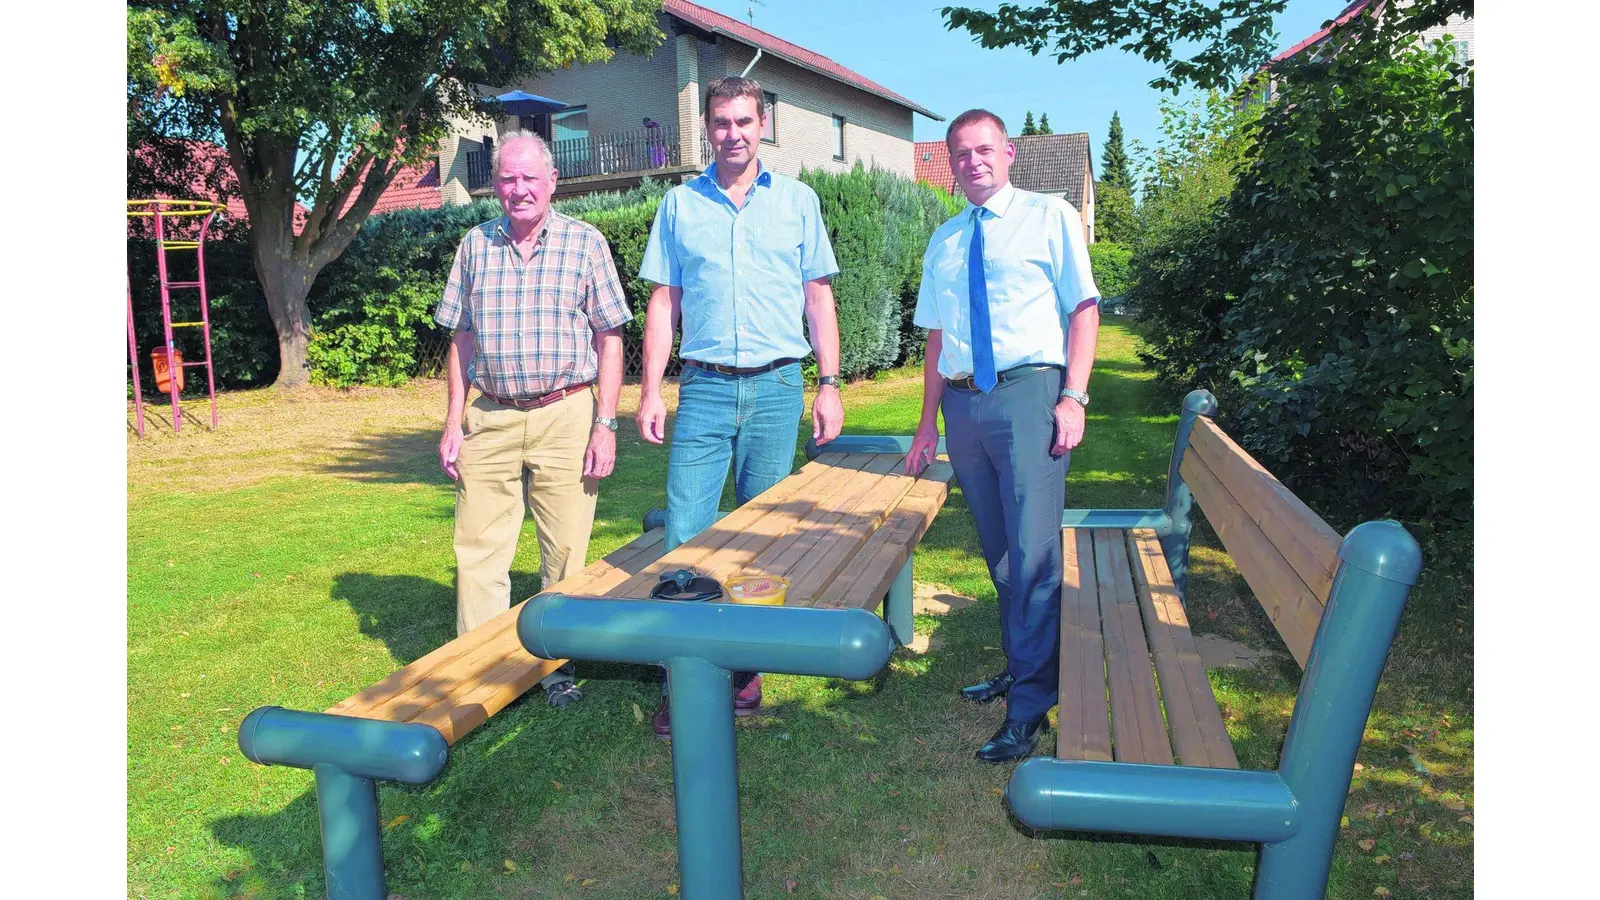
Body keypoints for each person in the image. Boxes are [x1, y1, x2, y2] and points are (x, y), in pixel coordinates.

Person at [635, 75, 845, 738]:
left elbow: (819, 298)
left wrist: (830, 382)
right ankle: (685, 677)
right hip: (702, 387)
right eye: (721, 123)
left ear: (763, 126)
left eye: (744, 122)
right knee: (687, 533)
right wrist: (647, 389)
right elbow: (664, 303)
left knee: (765, 532)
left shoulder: (799, 202)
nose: (733, 134)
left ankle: (747, 670)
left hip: (779, 385)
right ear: (707, 128)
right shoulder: (678, 206)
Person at [905, 109, 1102, 763]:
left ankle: (1028, 710)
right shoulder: (946, 240)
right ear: (950, 163)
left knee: (1034, 554)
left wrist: (1073, 395)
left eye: (984, 149)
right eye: (960, 154)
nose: (973, 162)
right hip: (964, 408)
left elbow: (1083, 308)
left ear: (1009, 153)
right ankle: (1024, 669)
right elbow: (936, 338)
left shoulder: (1051, 217)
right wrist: (927, 421)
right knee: (1001, 554)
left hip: (1029, 398)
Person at [435, 130, 633, 708]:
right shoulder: (474, 245)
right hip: (489, 417)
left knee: (565, 551)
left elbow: (611, 338)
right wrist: (452, 421)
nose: (518, 190)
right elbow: (461, 340)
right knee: (478, 551)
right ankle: (486, 666)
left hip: (567, 414)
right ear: (494, 184)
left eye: (529, 178)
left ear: (552, 182)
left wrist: (606, 422)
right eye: (507, 178)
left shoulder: (586, 243)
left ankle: (555, 665)